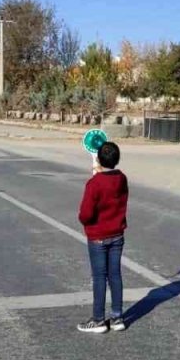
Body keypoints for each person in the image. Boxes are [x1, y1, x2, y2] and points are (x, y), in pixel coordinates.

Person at [76, 141, 129, 334]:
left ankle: (98, 319)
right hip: (117, 234)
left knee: (100, 277)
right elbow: (110, 181)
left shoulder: (94, 184)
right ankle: (117, 317)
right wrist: (99, 170)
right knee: (115, 275)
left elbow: (86, 214)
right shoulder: (121, 179)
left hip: (98, 236)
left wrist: (81, 216)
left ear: (98, 158)